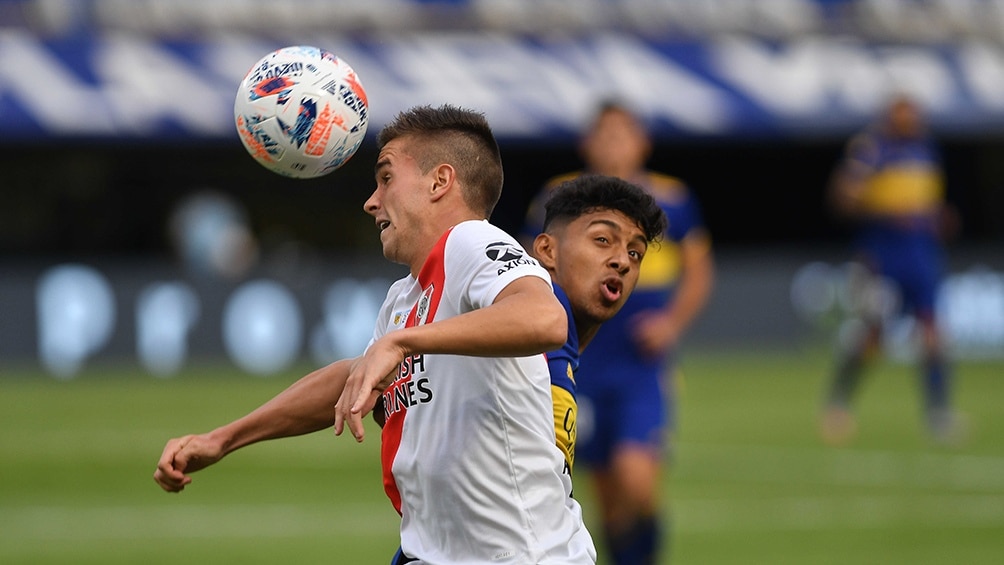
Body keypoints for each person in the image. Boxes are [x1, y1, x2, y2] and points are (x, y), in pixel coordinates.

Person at [155, 104, 596, 564]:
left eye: (386, 178)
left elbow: (544, 319)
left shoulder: (472, 241)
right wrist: (223, 439)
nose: (371, 200)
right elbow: (354, 377)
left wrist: (403, 342)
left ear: (440, 181)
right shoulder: (404, 297)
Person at [523, 101, 715, 565]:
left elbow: (699, 271)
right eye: (604, 135)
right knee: (606, 495)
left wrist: (671, 324)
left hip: (639, 364)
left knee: (638, 482)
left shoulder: (672, 199)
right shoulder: (559, 196)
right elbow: (528, 264)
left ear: (642, 143)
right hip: (576, 360)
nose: (613, 145)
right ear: (587, 143)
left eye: (622, 135)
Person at [820, 94, 964, 446]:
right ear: (890, 117)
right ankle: (838, 402)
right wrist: (882, 208)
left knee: (933, 334)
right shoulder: (872, 149)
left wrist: (937, 215)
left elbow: (927, 201)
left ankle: (938, 413)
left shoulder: (926, 150)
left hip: (921, 253)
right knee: (874, 335)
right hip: (882, 254)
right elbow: (842, 198)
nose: (911, 121)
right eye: (904, 115)